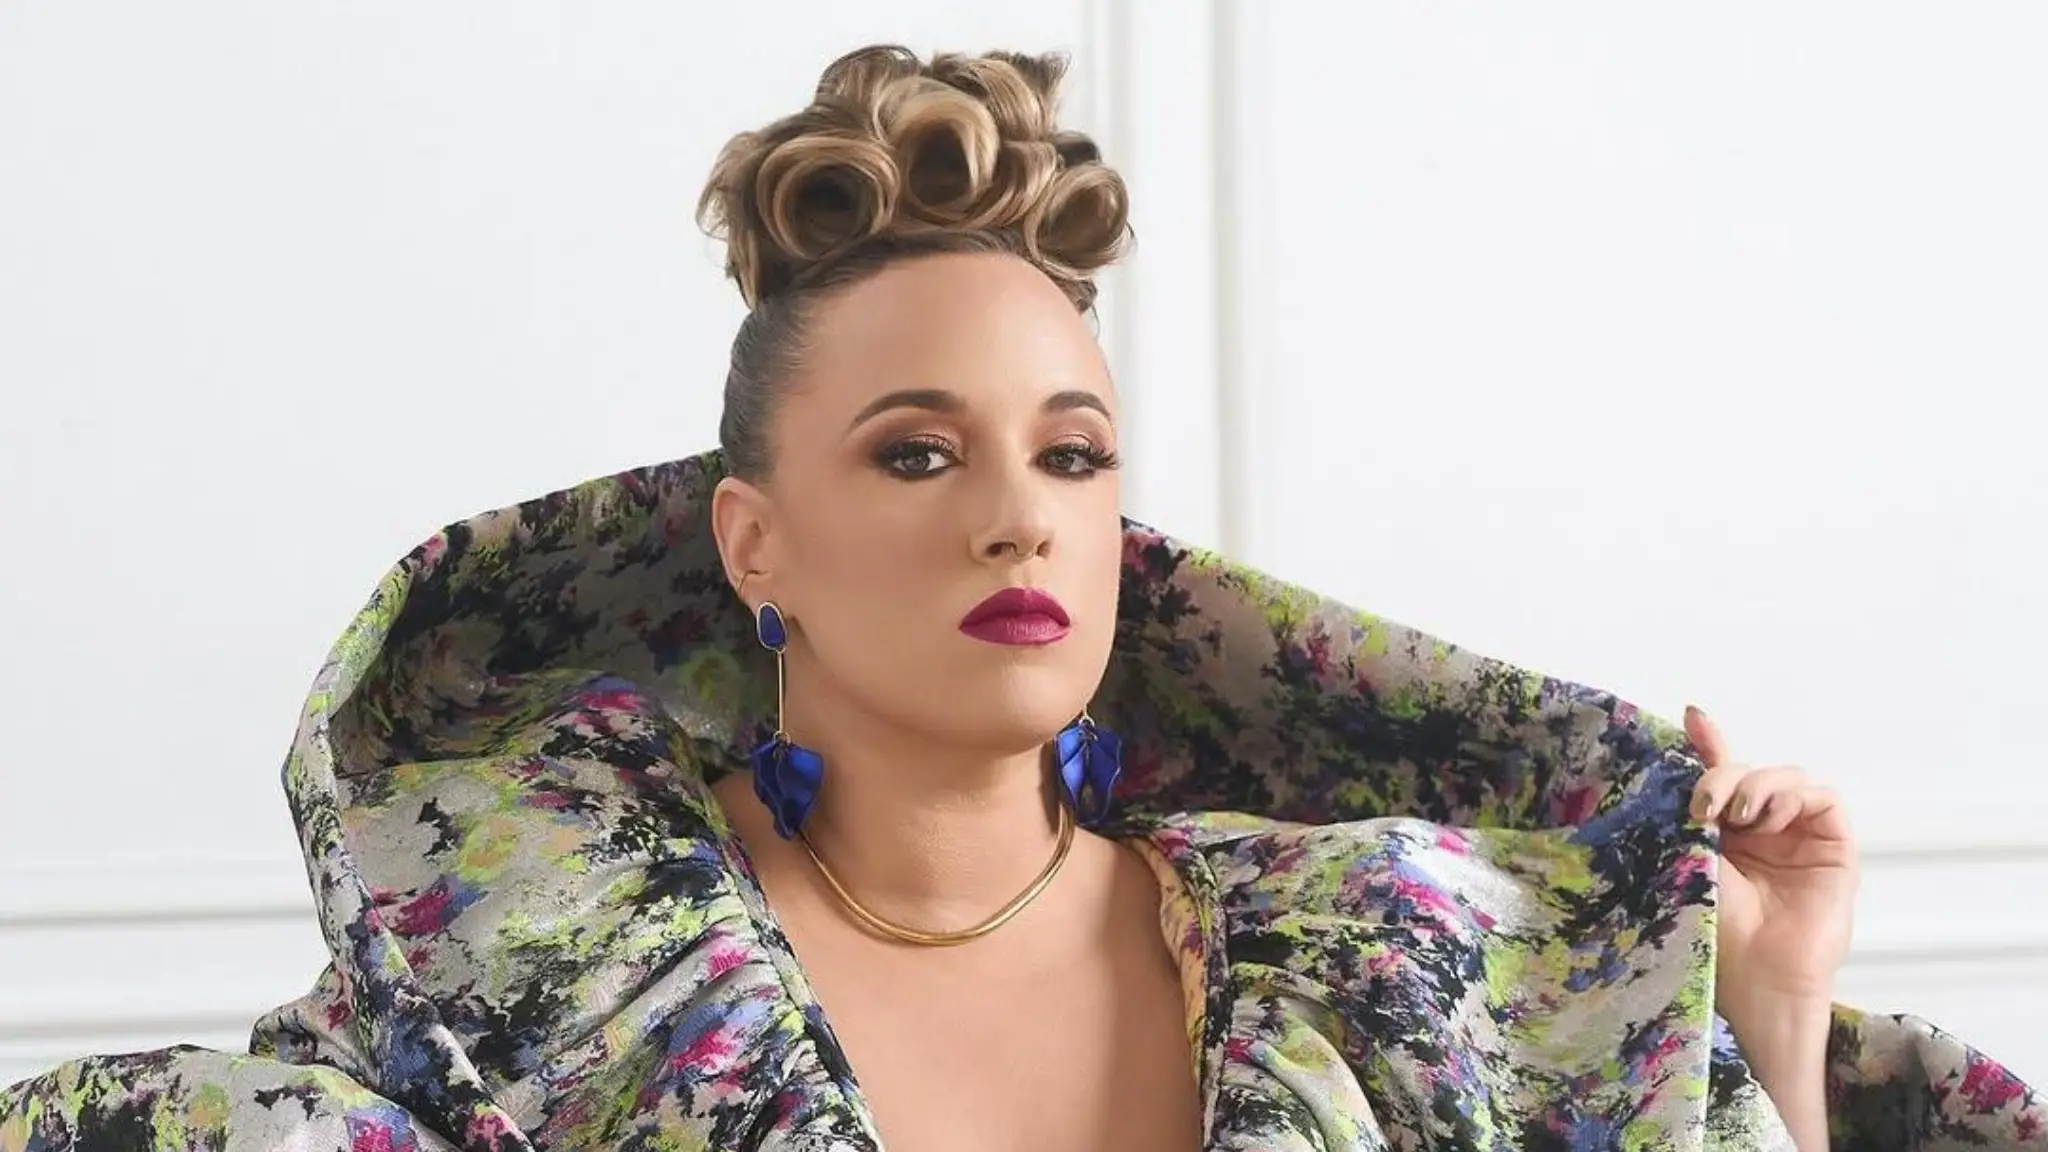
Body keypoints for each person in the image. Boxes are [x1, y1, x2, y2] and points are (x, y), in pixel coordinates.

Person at [3, 43, 2041, 1152]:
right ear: (752, 544)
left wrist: (1767, 1011)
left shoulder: (1381, 964)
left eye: (1072, 455)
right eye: (918, 453)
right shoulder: (535, 981)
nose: (1017, 520)